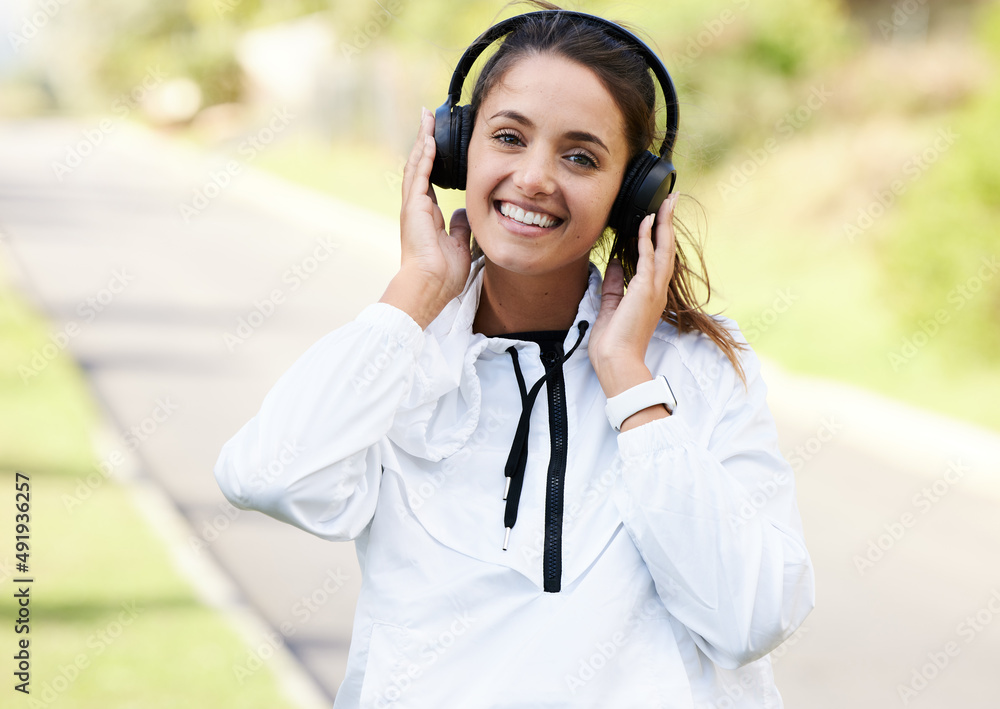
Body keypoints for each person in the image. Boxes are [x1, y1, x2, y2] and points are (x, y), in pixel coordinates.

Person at [215, 4, 814, 707]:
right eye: (508, 136)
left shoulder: (698, 367)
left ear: (634, 193)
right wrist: (415, 292)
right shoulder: (403, 355)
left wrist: (629, 385)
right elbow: (270, 477)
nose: (534, 177)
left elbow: (752, 617)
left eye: (580, 156)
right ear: (453, 148)